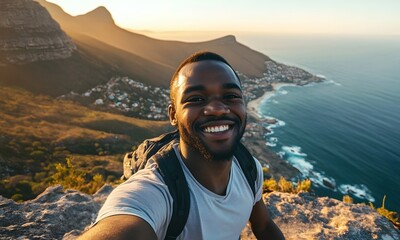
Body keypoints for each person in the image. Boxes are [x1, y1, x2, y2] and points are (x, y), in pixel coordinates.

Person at [79, 51, 285, 240]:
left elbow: (264, 226)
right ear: (173, 115)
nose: (217, 109)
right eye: (196, 99)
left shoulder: (249, 169)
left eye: (231, 96)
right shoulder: (157, 191)